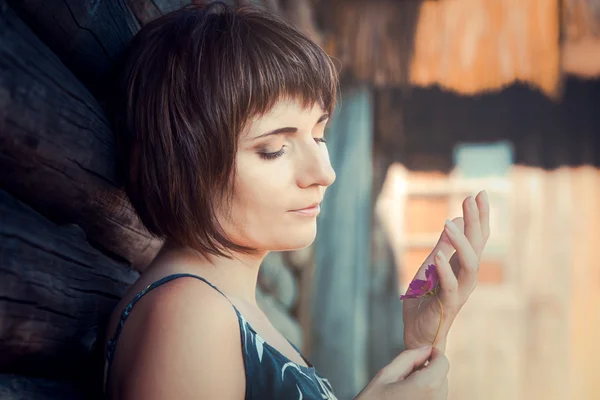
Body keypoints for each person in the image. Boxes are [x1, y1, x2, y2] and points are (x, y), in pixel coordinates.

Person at [103, 2, 490, 399]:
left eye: (319, 135)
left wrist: (423, 344)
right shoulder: (189, 315)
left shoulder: (222, 308)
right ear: (182, 161)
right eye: (274, 149)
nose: (324, 173)